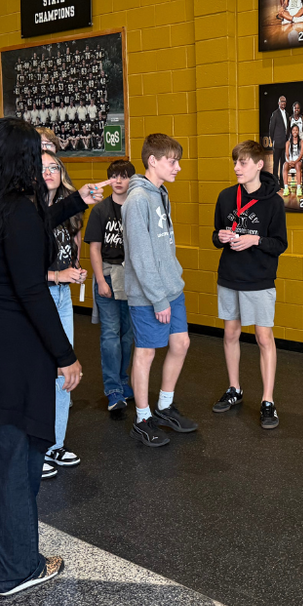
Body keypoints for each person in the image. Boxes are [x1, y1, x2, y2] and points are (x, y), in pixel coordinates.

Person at [0, 117, 109, 595]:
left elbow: (20, 233)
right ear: (20, 159)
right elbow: (31, 290)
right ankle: (17, 568)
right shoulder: (17, 209)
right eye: (36, 153)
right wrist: (65, 355)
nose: (42, 161)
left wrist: (75, 201)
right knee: (17, 453)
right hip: (10, 344)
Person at [123, 133, 197, 445]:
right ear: (153, 161)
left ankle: (165, 407)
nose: (178, 167)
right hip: (148, 295)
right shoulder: (138, 199)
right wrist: (157, 298)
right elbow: (140, 256)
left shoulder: (160, 193)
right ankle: (142, 418)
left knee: (180, 344)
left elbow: (163, 246)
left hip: (170, 289)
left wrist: (170, 287)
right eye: (172, 161)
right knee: (146, 352)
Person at [211, 140, 288, 429]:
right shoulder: (226, 196)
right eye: (235, 163)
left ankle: (268, 400)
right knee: (230, 333)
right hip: (230, 274)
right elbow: (215, 234)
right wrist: (220, 238)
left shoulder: (274, 202)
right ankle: (235, 389)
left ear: (258, 165)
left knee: (263, 338)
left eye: (242, 163)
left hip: (259, 278)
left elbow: (280, 244)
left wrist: (254, 239)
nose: (236, 168)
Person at [41, 151, 87, 474]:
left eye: (54, 167)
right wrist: (58, 276)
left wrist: (75, 271)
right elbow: (22, 270)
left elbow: (73, 251)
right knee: (40, 371)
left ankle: (55, 444)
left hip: (62, 296)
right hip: (40, 295)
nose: (49, 172)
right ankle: (38, 447)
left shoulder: (70, 211)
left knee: (64, 370)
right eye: (41, 168)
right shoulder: (29, 213)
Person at [86, 160, 136, 419]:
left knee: (127, 335)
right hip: (107, 274)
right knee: (110, 334)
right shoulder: (100, 210)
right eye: (114, 176)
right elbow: (94, 248)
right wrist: (100, 280)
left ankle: (123, 380)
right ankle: (113, 389)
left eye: (124, 176)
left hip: (131, 278)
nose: (118, 181)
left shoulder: (136, 207)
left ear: (132, 179)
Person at [267, 94, 290, 188]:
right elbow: (271, 129)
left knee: (283, 164)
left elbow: (287, 129)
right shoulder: (275, 114)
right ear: (278, 103)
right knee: (276, 164)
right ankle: (275, 183)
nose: (283, 103)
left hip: (285, 143)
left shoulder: (287, 114)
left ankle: (281, 182)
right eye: (281, 101)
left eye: (284, 101)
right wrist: (273, 140)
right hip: (277, 143)